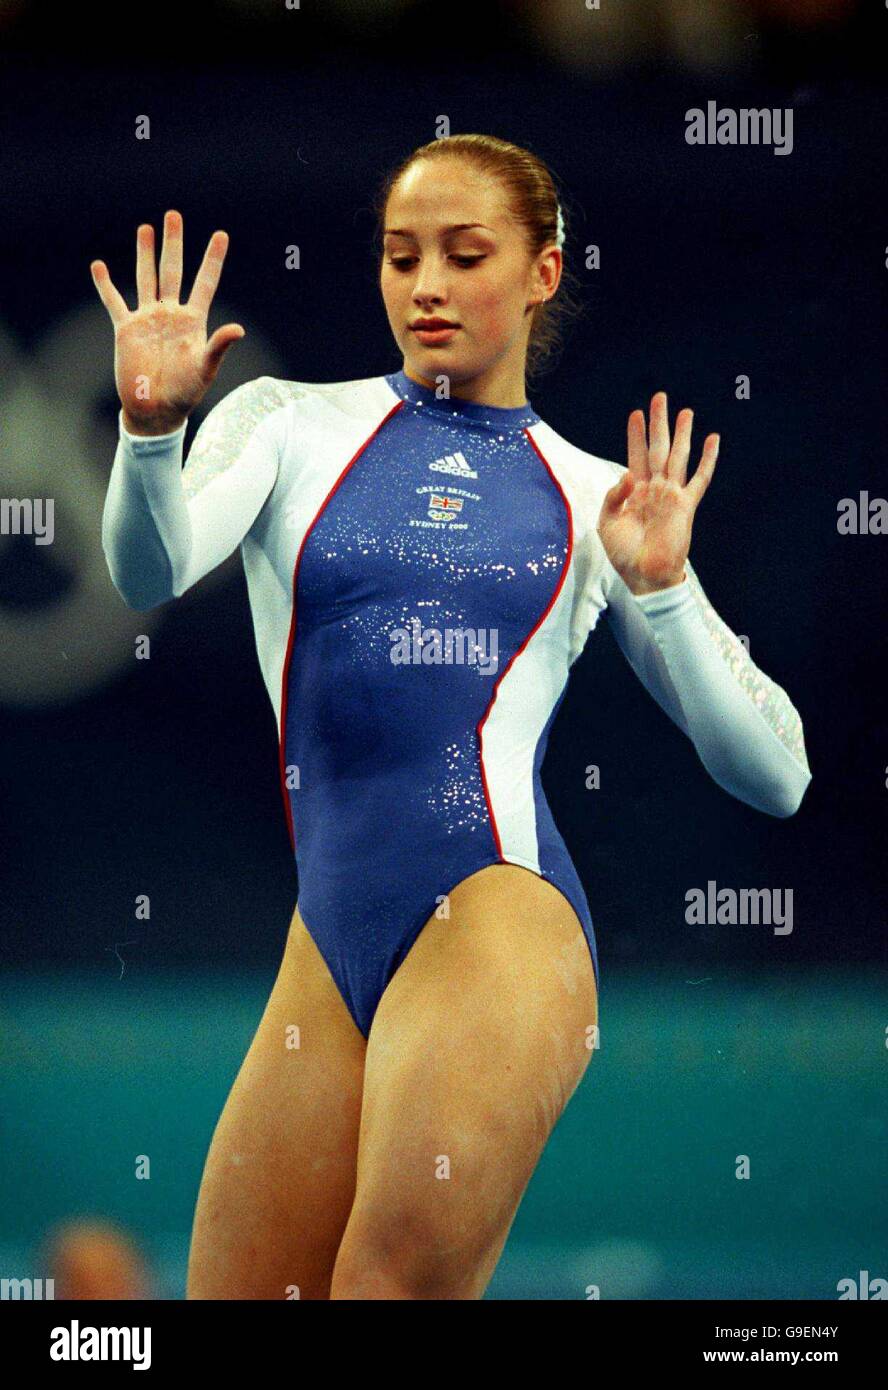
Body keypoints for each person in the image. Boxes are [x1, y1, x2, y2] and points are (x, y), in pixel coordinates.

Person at [94, 133, 811, 1300]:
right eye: (400, 256)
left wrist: (667, 593)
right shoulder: (285, 423)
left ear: (540, 272)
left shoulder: (593, 497)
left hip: (497, 922)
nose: (426, 285)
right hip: (328, 947)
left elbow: (778, 776)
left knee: (387, 1284)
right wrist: (149, 430)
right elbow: (148, 567)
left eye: (465, 254)